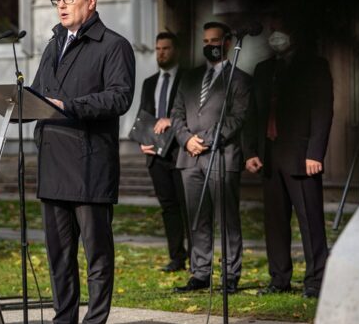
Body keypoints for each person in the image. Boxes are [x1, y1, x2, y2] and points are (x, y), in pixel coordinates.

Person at [30, 0, 135, 324]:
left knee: (96, 255)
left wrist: (69, 106)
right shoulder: (53, 43)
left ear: (91, 2)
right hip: (53, 161)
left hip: (90, 165)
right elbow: (42, 93)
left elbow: (120, 98)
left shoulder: (113, 46)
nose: (61, 4)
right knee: (59, 255)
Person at [243, 21, 333, 299]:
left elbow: (322, 110)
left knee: (310, 220)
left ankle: (316, 281)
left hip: (301, 156)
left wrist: (315, 153)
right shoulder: (263, 69)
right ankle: (279, 278)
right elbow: (252, 113)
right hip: (269, 155)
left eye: (281, 30)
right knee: (275, 222)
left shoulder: (314, 66)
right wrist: (251, 152)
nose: (275, 36)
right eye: (272, 31)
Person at [170, 21, 252, 295]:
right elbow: (176, 114)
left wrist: (203, 140)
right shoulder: (190, 77)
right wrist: (186, 139)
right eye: (205, 41)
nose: (209, 46)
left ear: (227, 42)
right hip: (189, 158)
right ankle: (201, 272)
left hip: (221, 155)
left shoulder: (239, 79)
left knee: (226, 218)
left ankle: (230, 274)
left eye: (214, 41)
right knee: (197, 218)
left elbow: (237, 117)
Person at [137, 32, 189, 272]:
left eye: (166, 48)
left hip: (181, 152)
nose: (161, 53)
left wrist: (172, 119)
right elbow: (143, 116)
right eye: (158, 49)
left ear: (175, 50)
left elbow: (192, 112)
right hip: (156, 155)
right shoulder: (149, 82)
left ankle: (198, 260)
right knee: (168, 208)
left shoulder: (188, 79)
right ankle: (176, 257)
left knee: (187, 206)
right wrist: (142, 141)